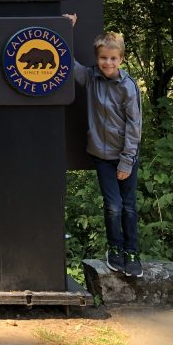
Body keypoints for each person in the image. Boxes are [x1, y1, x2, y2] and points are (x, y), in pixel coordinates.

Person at [66, 14, 144, 278]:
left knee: (129, 205)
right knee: (113, 205)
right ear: (97, 58)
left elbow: (134, 126)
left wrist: (126, 161)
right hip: (101, 154)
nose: (107, 63)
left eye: (113, 58)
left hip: (125, 157)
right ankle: (115, 249)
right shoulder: (91, 78)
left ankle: (132, 251)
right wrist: (67, 29)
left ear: (120, 59)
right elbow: (68, 63)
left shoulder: (128, 87)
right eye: (103, 58)